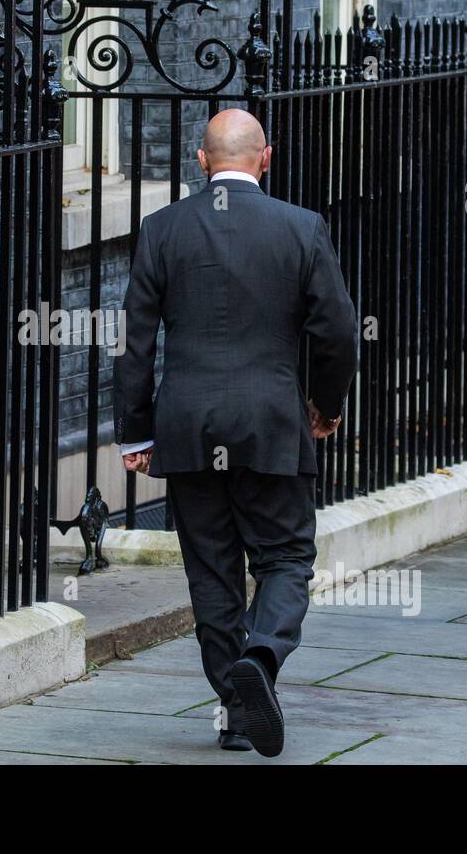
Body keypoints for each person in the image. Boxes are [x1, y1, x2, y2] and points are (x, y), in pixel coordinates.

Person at [113, 109, 359, 757]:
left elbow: (135, 342)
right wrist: (326, 405)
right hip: (273, 424)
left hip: (188, 429)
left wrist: (135, 434)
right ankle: (262, 657)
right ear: (266, 158)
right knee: (283, 558)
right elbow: (338, 331)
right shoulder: (301, 230)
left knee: (212, 570)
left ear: (201, 161)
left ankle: (234, 703)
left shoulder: (162, 230)